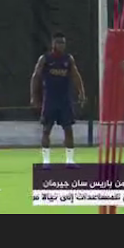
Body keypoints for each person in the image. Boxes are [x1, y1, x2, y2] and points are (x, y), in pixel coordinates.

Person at [30, 32, 86, 166]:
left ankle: (70, 160)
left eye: (63, 43)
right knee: (46, 129)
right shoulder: (45, 59)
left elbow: (76, 75)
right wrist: (33, 96)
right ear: (53, 44)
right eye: (59, 43)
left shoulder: (68, 59)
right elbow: (36, 77)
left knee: (68, 129)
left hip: (65, 100)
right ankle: (46, 161)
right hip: (50, 99)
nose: (61, 45)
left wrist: (81, 93)